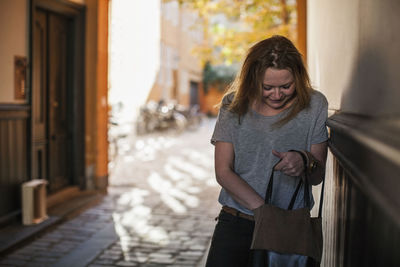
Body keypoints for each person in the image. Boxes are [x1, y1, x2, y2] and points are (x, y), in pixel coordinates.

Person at [205, 35, 328, 267]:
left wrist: (304, 160)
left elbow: (317, 175)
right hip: (236, 222)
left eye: (286, 86)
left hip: (288, 228)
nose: (277, 94)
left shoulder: (315, 105)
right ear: (253, 80)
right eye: (267, 87)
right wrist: (263, 212)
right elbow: (223, 171)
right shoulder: (233, 105)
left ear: (298, 78)